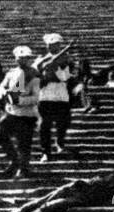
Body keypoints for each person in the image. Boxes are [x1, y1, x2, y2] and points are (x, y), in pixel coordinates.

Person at [0, 45, 40, 177]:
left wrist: (19, 101)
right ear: (16, 59)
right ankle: (14, 161)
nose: (22, 61)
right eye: (20, 58)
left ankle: (24, 168)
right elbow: (2, 86)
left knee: (24, 143)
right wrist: (4, 93)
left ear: (29, 59)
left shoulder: (33, 75)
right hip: (11, 112)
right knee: (0, 136)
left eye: (25, 58)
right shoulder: (12, 73)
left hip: (26, 114)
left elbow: (36, 97)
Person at [35, 33, 74, 161]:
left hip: (60, 94)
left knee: (62, 122)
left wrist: (56, 68)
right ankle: (45, 152)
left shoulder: (65, 59)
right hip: (45, 95)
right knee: (44, 125)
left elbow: (66, 77)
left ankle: (60, 144)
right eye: (50, 45)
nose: (53, 47)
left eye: (56, 45)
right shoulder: (40, 60)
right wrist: (43, 69)